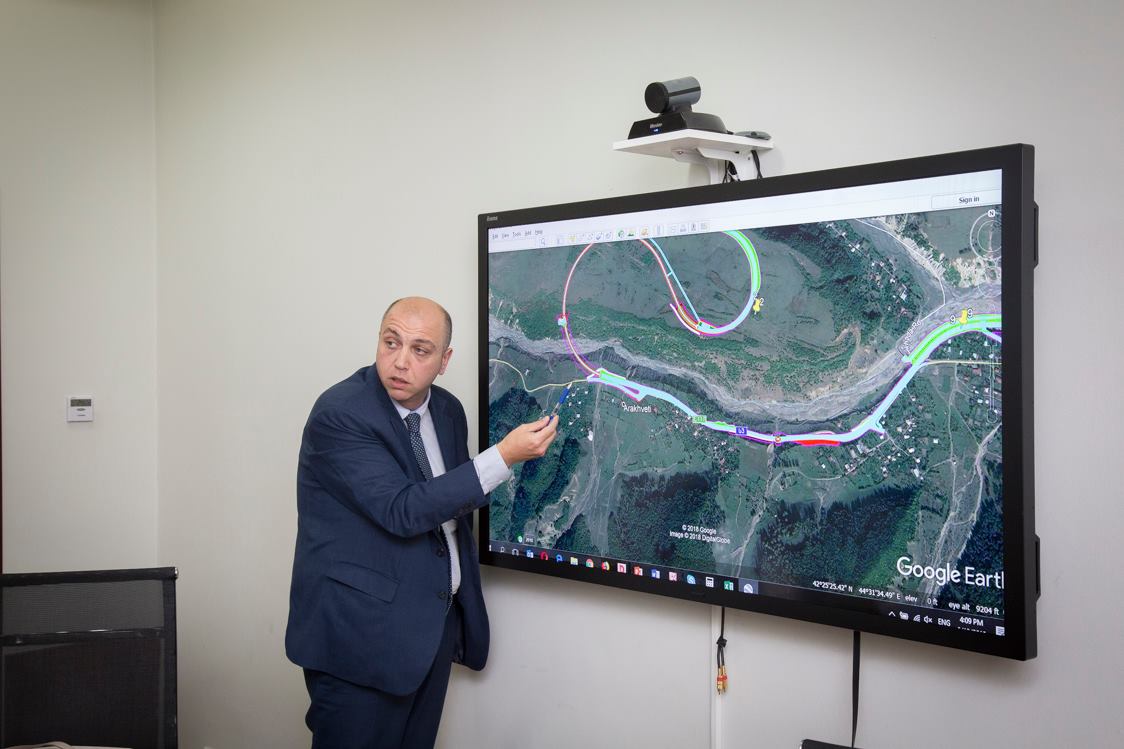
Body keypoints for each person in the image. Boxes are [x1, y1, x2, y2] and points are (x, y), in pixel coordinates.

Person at [285, 296, 557, 748]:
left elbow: (450, 508)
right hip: (359, 642)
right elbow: (404, 509)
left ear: (444, 361)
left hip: (428, 632)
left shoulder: (447, 411)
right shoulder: (340, 413)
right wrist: (503, 457)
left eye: (420, 350)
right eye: (391, 342)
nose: (400, 361)